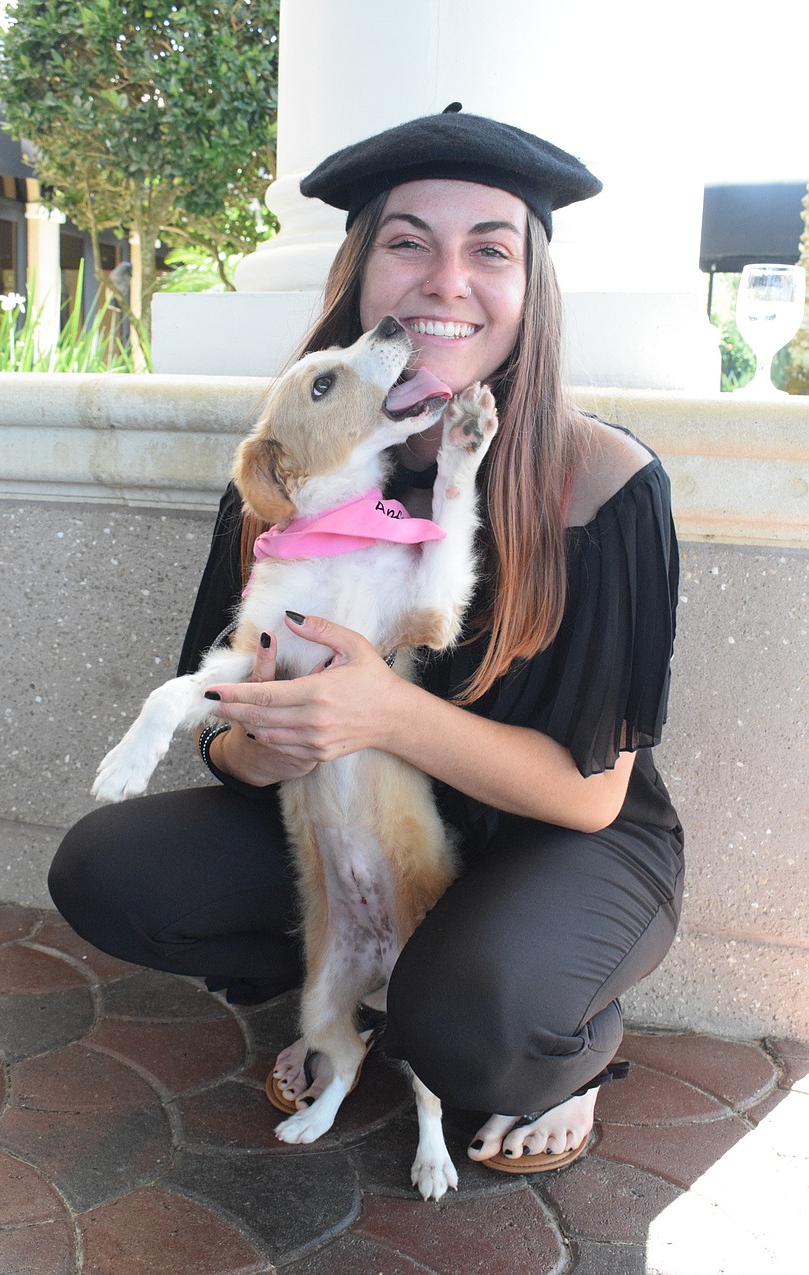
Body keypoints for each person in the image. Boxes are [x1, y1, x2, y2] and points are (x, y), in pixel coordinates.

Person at [49, 105, 684, 1175]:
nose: (445, 282)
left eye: (489, 249)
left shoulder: (607, 484)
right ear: (359, 275)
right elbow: (222, 721)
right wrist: (265, 741)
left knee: (475, 1025)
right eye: (406, 243)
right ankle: (366, 998)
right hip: (363, 816)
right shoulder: (293, 470)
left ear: (530, 290)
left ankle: (560, 1048)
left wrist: (386, 710)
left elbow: (589, 794)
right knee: (110, 873)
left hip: (559, 837)